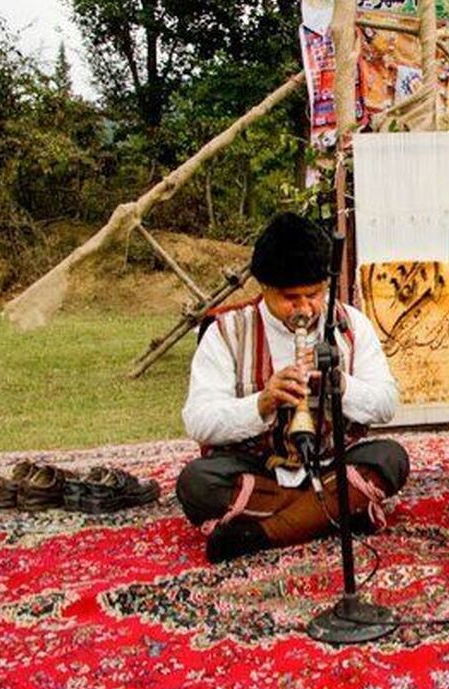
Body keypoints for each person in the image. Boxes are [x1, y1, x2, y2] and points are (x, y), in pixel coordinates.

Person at [176, 213, 410, 563]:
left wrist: (342, 386)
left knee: (391, 458)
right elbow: (198, 420)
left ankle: (263, 533)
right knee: (196, 484)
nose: (304, 308)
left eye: (314, 295)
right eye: (290, 297)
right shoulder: (227, 332)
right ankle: (334, 511)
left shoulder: (350, 325)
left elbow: (386, 404)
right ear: (264, 287)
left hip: (331, 461)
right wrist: (261, 404)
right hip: (259, 470)